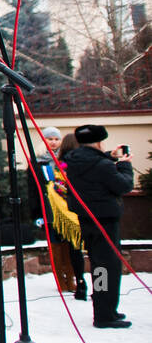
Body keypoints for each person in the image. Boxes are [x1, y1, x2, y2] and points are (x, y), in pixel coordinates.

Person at [63, 125, 134, 329]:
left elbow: (91, 163)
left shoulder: (73, 161)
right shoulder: (102, 165)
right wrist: (124, 165)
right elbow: (123, 186)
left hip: (87, 220)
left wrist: (109, 157)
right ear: (99, 141)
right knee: (107, 268)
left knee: (99, 265)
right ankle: (104, 315)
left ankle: (107, 310)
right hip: (105, 221)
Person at [32, 127, 86, 298]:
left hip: (66, 209)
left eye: (56, 139)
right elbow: (33, 190)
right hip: (48, 209)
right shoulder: (38, 162)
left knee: (70, 245)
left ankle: (72, 278)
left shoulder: (65, 160)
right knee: (55, 245)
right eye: (50, 139)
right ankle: (60, 280)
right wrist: (36, 214)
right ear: (44, 141)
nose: (53, 142)